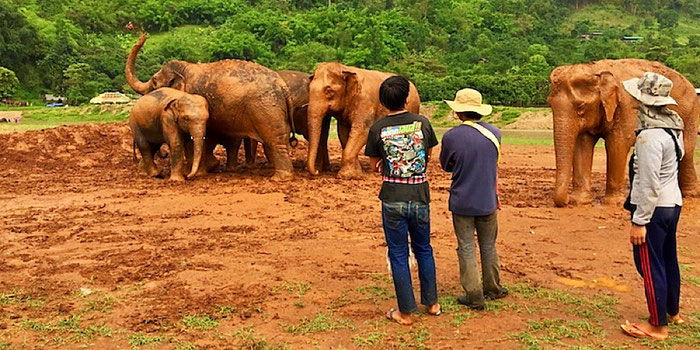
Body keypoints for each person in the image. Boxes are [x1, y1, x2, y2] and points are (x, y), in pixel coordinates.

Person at [365, 76, 440, 325]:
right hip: (420, 195)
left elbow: (373, 163)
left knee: (398, 253)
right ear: (407, 98)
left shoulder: (378, 129)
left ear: (382, 102)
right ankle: (432, 303)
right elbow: (428, 154)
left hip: (392, 197)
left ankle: (405, 312)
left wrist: (384, 164)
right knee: (424, 248)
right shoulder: (423, 123)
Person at [620, 72, 685, 341]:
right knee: (668, 259)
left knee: (650, 265)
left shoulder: (649, 137)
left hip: (654, 209)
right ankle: (672, 312)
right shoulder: (672, 130)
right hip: (672, 204)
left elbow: (647, 182)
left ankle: (658, 327)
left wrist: (639, 220)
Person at [439, 88, 508, 310]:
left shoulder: (451, 136)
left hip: (462, 201)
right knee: (488, 244)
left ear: (459, 112)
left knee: (466, 246)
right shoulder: (495, 133)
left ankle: (474, 293)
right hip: (488, 199)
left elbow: (446, 166)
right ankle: (493, 288)